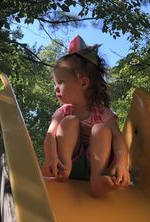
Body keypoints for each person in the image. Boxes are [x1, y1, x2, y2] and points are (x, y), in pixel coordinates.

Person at [42, 35, 131, 197]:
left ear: (83, 83)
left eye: (61, 82)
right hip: (70, 163)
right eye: (55, 83)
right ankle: (64, 168)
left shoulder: (103, 113)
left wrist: (122, 164)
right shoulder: (63, 112)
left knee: (101, 130)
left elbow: (119, 139)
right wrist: (51, 158)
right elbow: (50, 135)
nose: (56, 88)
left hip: (97, 164)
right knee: (69, 121)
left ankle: (97, 181)